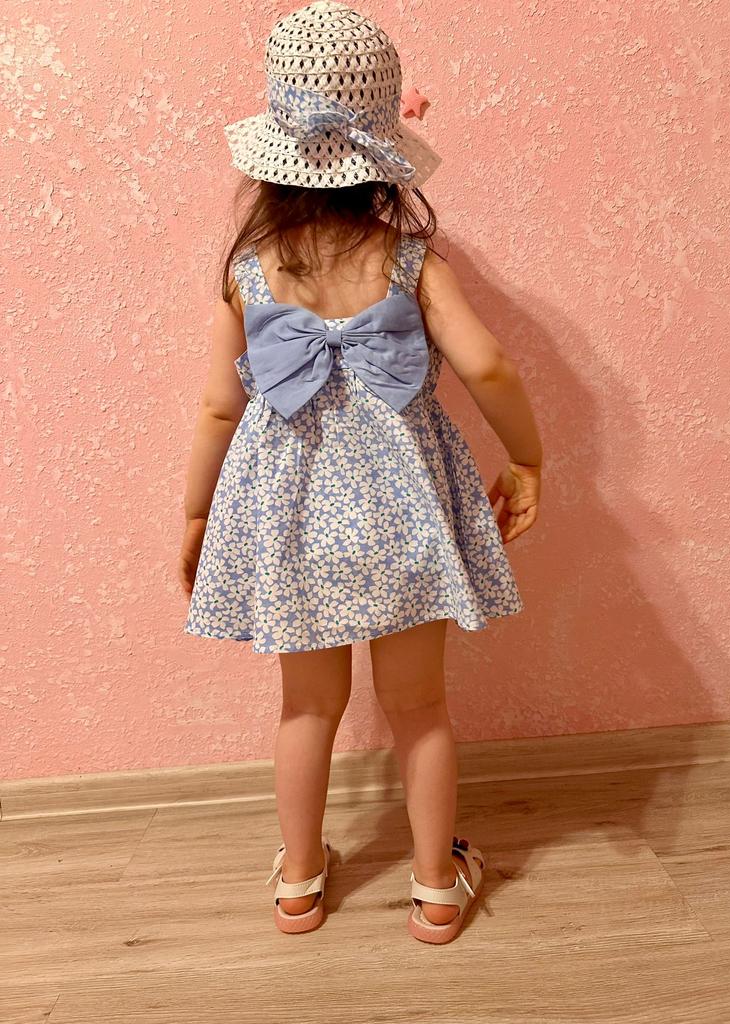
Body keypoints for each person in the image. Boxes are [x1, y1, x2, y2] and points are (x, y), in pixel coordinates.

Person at [179, 0, 542, 944]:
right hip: (404, 515)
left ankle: (300, 884)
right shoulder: (409, 260)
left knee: (307, 706)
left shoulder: (249, 270)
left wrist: (196, 515)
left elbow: (218, 407)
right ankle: (436, 888)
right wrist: (528, 457)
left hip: (294, 520)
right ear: (382, 154)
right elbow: (490, 366)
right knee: (419, 707)